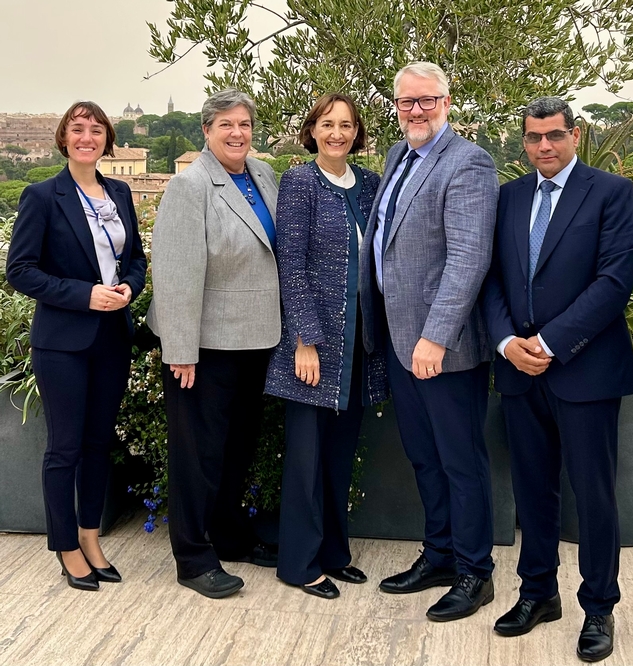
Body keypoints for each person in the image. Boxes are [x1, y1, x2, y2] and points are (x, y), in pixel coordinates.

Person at [482, 97, 633, 662]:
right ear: (523, 141)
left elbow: (613, 282)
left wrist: (549, 344)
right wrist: (508, 344)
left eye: (554, 135)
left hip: (585, 373)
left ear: (575, 134)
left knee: (594, 496)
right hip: (520, 372)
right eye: (533, 137)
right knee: (533, 491)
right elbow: (494, 280)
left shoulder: (612, 193)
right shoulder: (508, 198)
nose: (543, 146)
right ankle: (538, 593)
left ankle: (599, 607)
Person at [360, 62, 499, 621]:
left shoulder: (468, 163)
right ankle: (439, 554)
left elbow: (468, 259)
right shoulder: (399, 156)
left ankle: (475, 572)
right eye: (406, 102)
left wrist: (435, 338)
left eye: (427, 101)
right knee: (424, 458)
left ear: (446, 100)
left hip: (443, 349)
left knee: (460, 461)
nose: (416, 111)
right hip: (399, 342)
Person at [6, 101, 147, 591]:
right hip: (63, 342)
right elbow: (19, 271)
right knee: (64, 447)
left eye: (96, 130)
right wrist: (84, 294)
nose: (87, 137)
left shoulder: (121, 193)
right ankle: (66, 547)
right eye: (77, 129)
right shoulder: (43, 196)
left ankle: (91, 537)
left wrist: (129, 287)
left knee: (98, 443)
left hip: (112, 336)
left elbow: (135, 259)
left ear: (108, 139)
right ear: (64, 138)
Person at [147, 89, 281, 600]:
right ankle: (193, 556)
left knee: (236, 449)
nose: (237, 133)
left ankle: (230, 535)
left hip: (254, 339)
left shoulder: (262, 175)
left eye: (244, 124)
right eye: (225, 124)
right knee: (196, 454)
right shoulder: (191, 185)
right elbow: (176, 273)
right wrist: (181, 349)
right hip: (203, 346)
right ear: (206, 131)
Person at [265, 93, 388, 600]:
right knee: (305, 459)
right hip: (313, 349)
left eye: (346, 125)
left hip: (360, 347)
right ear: (311, 130)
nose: (337, 133)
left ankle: (335, 553)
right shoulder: (299, 183)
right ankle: (298, 563)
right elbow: (289, 264)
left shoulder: (371, 186)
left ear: (357, 133)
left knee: (339, 457)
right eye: (327, 124)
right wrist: (305, 340)